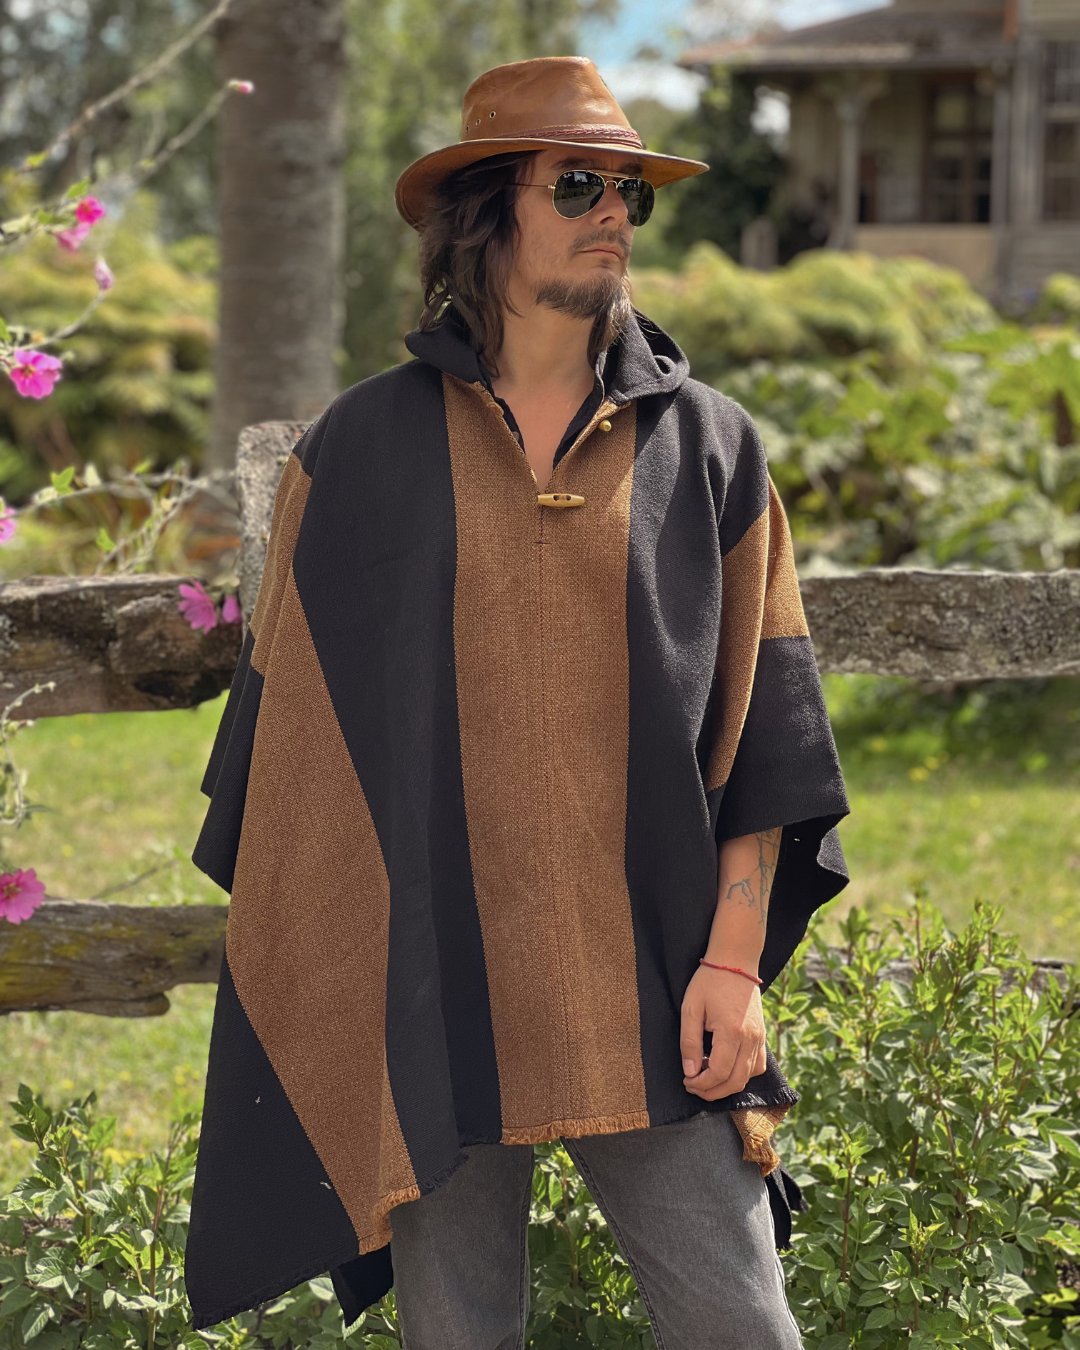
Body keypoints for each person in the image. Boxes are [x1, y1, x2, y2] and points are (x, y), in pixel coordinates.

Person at [184, 54, 851, 1350]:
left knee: (742, 1324)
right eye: (579, 186)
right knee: (458, 1334)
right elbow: (299, 753)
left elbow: (766, 731)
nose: (615, 214)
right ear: (486, 215)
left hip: (654, 985)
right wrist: (345, 985)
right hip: (433, 996)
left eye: (629, 192)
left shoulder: (708, 447)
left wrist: (731, 963)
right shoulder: (360, 452)